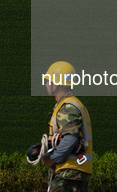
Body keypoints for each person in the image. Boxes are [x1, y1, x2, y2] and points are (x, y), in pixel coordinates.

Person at [42, 61, 93, 192]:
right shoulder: (75, 104)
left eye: (48, 80)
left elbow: (71, 137)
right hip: (77, 172)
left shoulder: (67, 107)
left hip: (68, 173)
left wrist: (52, 159)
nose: (46, 84)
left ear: (56, 83)